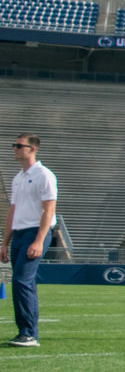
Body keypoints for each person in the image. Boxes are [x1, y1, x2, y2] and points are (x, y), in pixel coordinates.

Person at [5, 133, 57, 348]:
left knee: (21, 280)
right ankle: (27, 331)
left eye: (19, 145)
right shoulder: (18, 178)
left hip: (35, 232)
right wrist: (4, 241)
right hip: (19, 233)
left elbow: (49, 209)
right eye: (14, 145)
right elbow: (13, 210)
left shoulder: (44, 175)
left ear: (32, 149)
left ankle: (28, 334)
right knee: (25, 282)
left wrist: (38, 240)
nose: (15, 148)